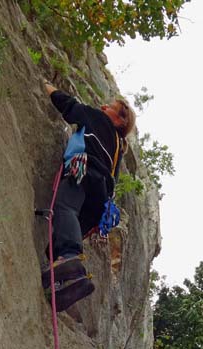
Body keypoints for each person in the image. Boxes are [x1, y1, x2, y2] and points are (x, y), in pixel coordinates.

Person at [41, 80, 136, 310]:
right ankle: (64, 282)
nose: (104, 107)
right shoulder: (117, 147)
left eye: (109, 107)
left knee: (64, 208)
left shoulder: (99, 119)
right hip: (100, 199)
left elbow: (70, 107)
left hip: (86, 174)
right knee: (55, 242)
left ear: (119, 119)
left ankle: (70, 260)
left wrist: (46, 86)